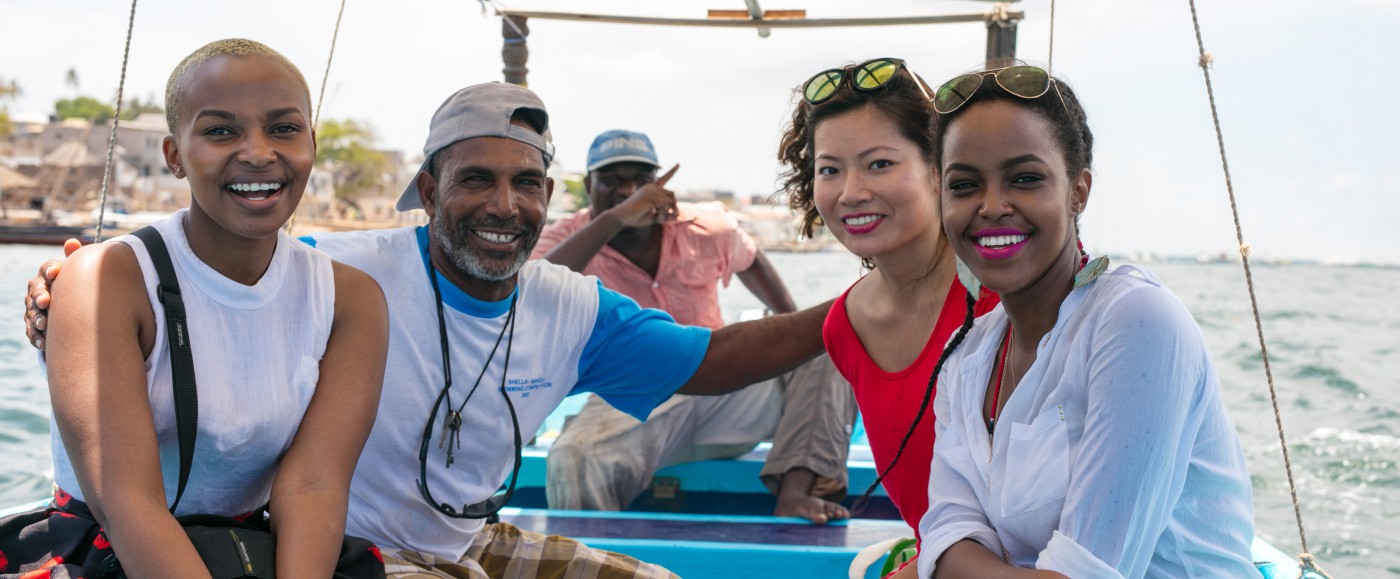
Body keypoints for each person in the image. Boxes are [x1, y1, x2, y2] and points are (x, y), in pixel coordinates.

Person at [24, 82, 832, 579]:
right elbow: (213, 273)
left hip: (476, 540)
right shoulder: (341, 271)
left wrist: (859, 312)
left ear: (550, 196)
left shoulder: (572, 307)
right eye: (474, 179)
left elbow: (720, 359)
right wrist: (73, 282)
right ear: (426, 188)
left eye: (525, 184)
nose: (502, 205)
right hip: (365, 551)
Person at [0, 39, 390, 578]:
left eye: (283, 128)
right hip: (111, 546)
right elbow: (125, 499)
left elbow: (313, 485)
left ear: (312, 144)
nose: (257, 152)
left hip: (250, 548)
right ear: (174, 155)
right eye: (219, 130)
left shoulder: (350, 300)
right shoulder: (107, 280)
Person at [913, 64, 1255, 577]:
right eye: (964, 186)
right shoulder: (968, 358)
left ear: (1078, 191)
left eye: (1025, 179)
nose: (992, 206)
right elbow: (946, 534)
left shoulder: (1136, 320)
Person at [538, 129, 855, 523]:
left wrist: (786, 317)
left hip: (721, 385)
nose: (629, 190)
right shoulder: (570, 238)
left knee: (820, 341)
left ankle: (797, 493)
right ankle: (594, 555)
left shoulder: (705, 225)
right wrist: (615, 219)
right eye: (613, 179)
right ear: (589, 186)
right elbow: (532, 293)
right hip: (630, 398)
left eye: (641, 180)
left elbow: (751, 258)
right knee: (572, 457)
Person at [776, 56, 999, 553]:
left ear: (940, 169)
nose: (851, 193)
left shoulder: (1005, 306)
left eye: (880, 164)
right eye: (829, 170)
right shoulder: (846, 326)